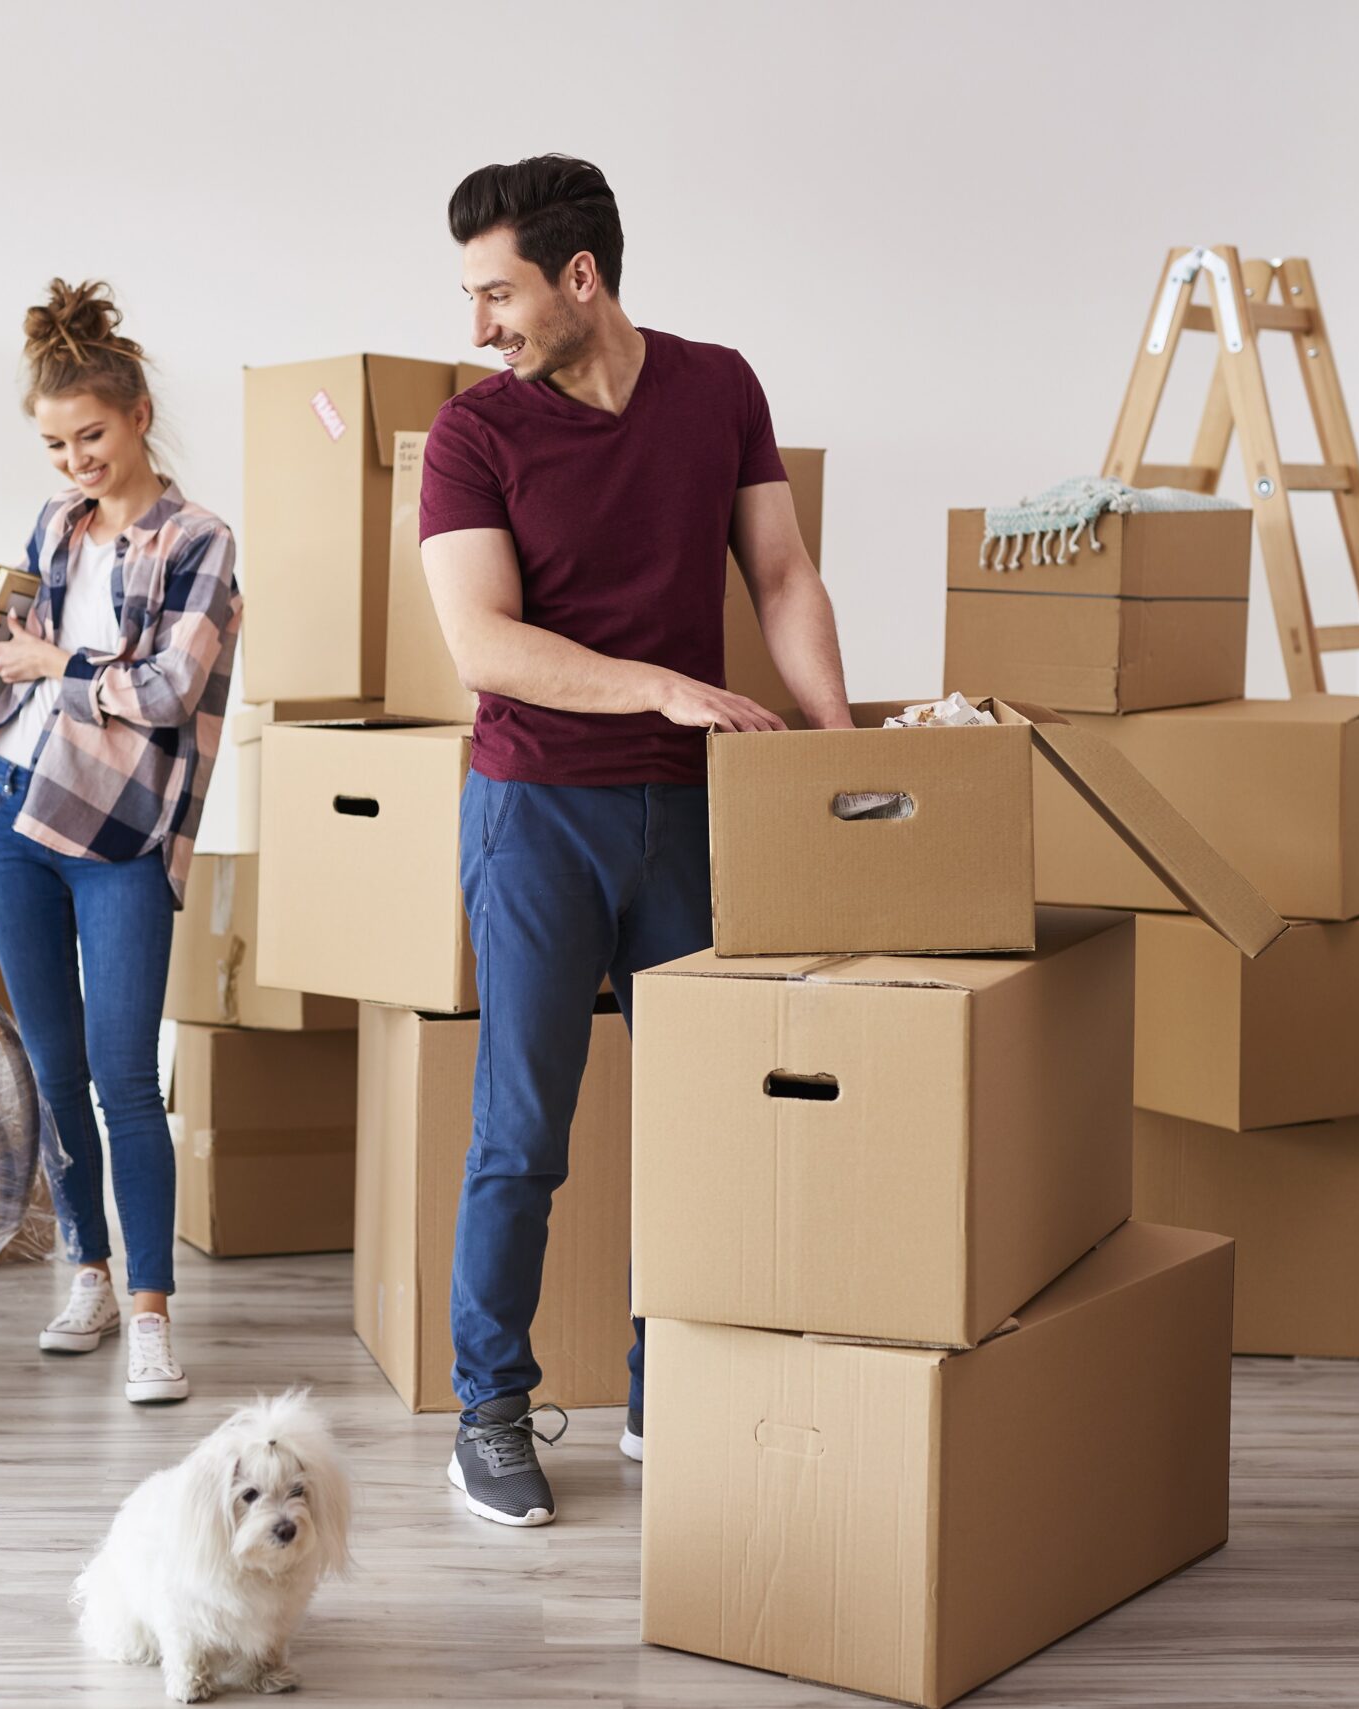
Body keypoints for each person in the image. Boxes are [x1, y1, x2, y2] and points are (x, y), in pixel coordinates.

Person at [416, 158, 851, 1525]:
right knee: (522, 1131)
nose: (482, 321)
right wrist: (659, 682)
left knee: (704, 1122)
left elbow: (779, 574)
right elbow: (483, 642)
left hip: (696, 819)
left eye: (499, 291)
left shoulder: (718, 387)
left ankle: (672, 1394)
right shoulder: (471, 433)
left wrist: (842, 745)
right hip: (537, 809)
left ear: (580, 278)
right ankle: (489, 1409)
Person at [0, 278, 240, 1402]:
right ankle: (86, 1267)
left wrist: (59, 671)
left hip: (119, 832)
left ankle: (152, 1314)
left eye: (90, 435)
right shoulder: (53, 528)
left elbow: (171, 688)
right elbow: (17, 655)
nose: (74, 459)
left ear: (135, 417)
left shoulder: (199, 540)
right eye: (54, 442)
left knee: (128, 1076)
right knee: (51, 1065)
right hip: (11, 816)